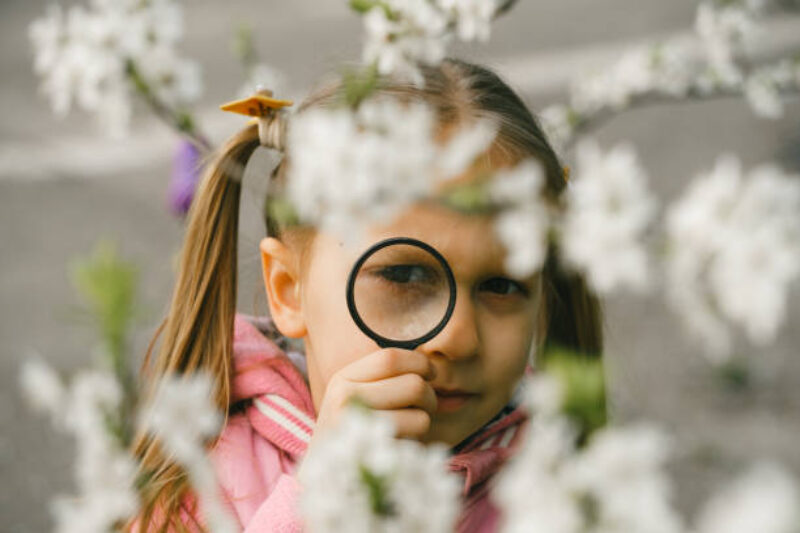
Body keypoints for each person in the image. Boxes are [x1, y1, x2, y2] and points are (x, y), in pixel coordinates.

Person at [128, 57, 603, 533]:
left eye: (502, 285)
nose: (458, 337)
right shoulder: (203, 478)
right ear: (289, 292)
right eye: (404, 276)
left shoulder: (557, 479)